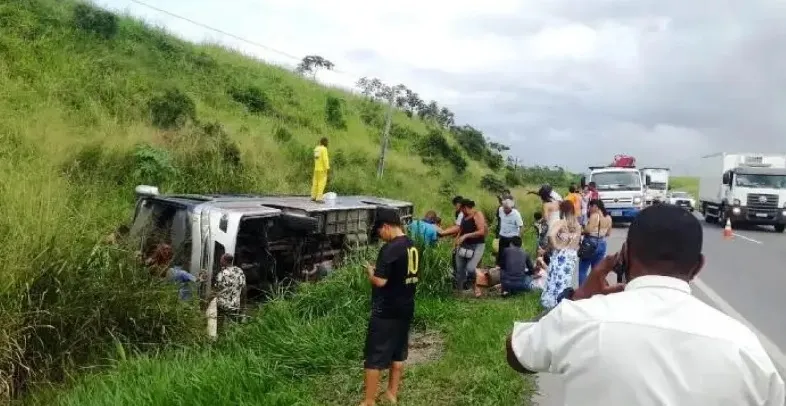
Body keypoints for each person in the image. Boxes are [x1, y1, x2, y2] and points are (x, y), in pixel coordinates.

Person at [505, 204, 785, 405]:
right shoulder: (743, 345)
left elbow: (517, 354)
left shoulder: (580, 317)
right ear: (698, 267)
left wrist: (578, 298)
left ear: (624, 254)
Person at [361, 209, 419, 406]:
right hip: (406, 307)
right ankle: (391, 394)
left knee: (374, 356)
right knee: (398, 353)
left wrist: (370, 272)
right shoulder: (412, 245)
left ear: (386, 226)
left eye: (379, 232)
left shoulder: (390, 249)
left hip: (386, 311)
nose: (380, 237)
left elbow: (380, 281)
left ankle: (369, 401)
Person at [540, 201, 581, 309]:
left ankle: (551, 303)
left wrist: (557, 246)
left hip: (561, 255)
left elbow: (551, 235)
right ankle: (562, 303)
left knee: (554, 279)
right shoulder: (577, 225)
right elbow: (576, 243)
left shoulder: (562, 222)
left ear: (562, 210)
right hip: (571, 256)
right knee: (565, 281)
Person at [453, 199, 487, 292]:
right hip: (464, 245)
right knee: (459, 268)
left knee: (471, 268)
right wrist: (457, 239)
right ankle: (460, 291)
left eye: (461, 209)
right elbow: (461, 229)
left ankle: (479, 285)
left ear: (465, 207)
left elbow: (481, 231)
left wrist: (466, 235)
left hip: (477, 245)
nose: (461, 211)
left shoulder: (477, 214)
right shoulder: (464, 216)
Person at [577, 199, 612, 286]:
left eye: (590, 206)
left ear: (595, 206)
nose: (589, 209)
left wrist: (583, 229)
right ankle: (594, 290)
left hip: (590, 243)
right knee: (596, 270)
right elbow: (608, 233)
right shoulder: (608, 218)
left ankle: (582, 292)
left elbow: (588, 230)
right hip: (602, 244)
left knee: (583, 270)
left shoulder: (595, 216)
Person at [215, 253, 246, 322]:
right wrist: (243, 306)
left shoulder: (221, 274)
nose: (220, 261)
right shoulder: (240, 271)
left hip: (223, 305)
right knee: (233, 324)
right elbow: (244, 288)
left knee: (221, 323)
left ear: (224, 261)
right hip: (235, 305)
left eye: (221, 259)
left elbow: (217, 289)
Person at [496, 198, 523, 267]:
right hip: (503, 236)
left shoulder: (516, 214)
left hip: (512, 237)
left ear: (511, 207)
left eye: (507, 208)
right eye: (504, 208)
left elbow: (521, 226)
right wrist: (498, 232)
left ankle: (511, 268)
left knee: (511, 255)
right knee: (501, 254)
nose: (505, 210)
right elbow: (500, 221)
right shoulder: (500, 210)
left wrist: (518, 238)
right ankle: (500, 268)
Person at [311, 137, 330, 202]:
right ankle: (319, 198)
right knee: (321, 183)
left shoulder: (316, 149)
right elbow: (325, 159)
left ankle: (313, 196)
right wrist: (327, 168)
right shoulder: (324, 149)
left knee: (315, 183)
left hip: (316, 169)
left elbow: (316, 158)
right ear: (325, 142)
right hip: (322, 169)